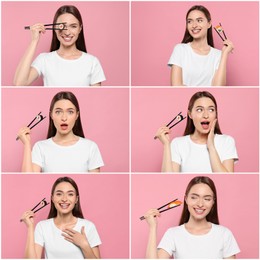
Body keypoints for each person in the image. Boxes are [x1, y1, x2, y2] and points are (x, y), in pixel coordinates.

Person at [144, 176, 240, 259]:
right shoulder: (173, 234)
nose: (200, 204)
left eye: (207, 199)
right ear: (186, 199)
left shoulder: (224, 234)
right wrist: (153, 227)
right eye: (194, 197)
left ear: (213, 202)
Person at [14, 5, 106, 86]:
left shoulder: (92, 62)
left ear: (80, 29)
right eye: (62, 26)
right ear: (55, 28)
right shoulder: (44, 59)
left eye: (73, 26)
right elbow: (19, 83)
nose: (67, 32)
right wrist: (34, 41)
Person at [17, 91, 104, 172]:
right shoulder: (40, 147)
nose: (64, 118)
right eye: (58, 112)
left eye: (70, 112)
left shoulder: (90, 147)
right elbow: (28, 179)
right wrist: (27, 144)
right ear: (51, 115)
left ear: (77, 115)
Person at [155, 91, 238, 172]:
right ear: (190, 114)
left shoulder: (227, 141)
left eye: (211, 110)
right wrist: (166, 145)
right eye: (199, 110)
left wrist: (211, 146)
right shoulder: (178, 144)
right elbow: (169, 177)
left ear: (216, 113)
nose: (206, 115)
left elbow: (226, 176)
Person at [21, 176, 101, 258]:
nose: (64, 199)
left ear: (76, 199)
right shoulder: (42, 227)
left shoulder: (88, 226)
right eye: (59, 194)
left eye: (70, 194)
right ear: (52, 198)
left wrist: (84, 244)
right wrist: (30, 227)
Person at [168, 5, 234, 86]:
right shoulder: (180, 49)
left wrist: (224, 54)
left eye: (199, 20)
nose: (194, 25)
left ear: (209, 24)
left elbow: (218, 87)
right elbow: (176, 86)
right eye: (190, 21)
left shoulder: (218, 55)